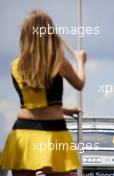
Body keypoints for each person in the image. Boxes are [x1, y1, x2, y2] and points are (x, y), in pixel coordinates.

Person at [0, 10, 87, 176]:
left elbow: (33, 102)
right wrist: (80, 61)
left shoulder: (15, 65)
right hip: (53, 132)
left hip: (23, 133)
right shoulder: (59, 62)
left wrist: (64, 110)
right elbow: (79, 84)